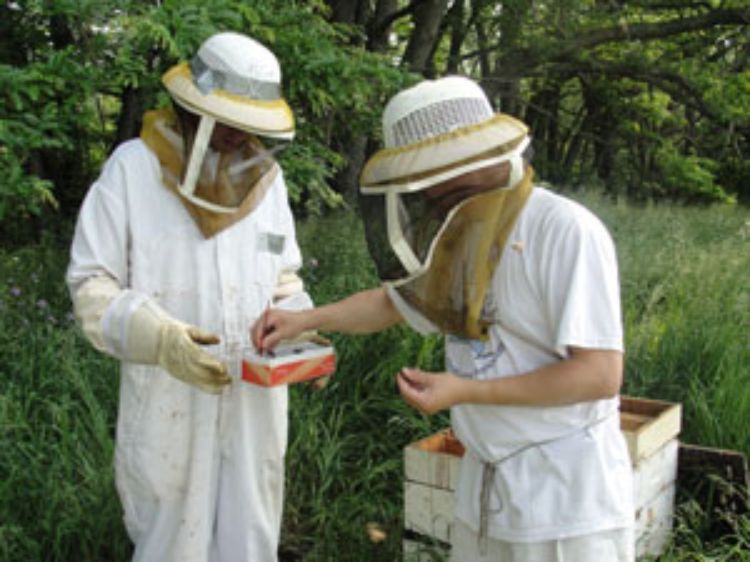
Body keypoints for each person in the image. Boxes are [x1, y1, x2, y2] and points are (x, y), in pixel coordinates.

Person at [252, 76, 635, 561]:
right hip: (487, 484)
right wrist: (304, 319)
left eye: (442, 181)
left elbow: (600, 374)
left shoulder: (564, 230)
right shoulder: (459, 226)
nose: (434, 195)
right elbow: (394, 302)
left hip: (565, 500)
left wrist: (465, 391)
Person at [66, 31, 312, 562]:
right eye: (224, 119)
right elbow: (91, 287)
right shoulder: (132, 169)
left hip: (254, 399)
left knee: (251, 536)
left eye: (246, 123)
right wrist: (157, 337)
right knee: (170, 539)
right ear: (190, 106)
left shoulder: (269, 181)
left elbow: (284, 278)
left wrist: (297, 326)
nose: (236, 134)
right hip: (168, 397)